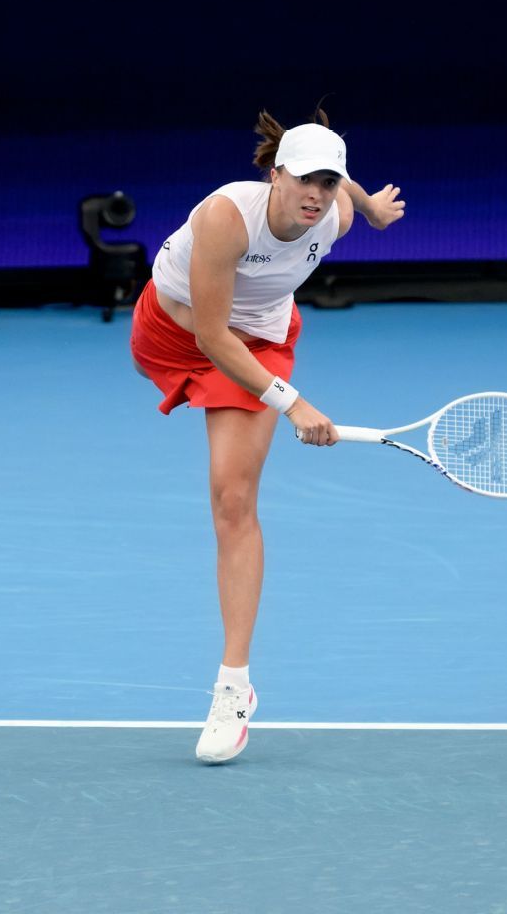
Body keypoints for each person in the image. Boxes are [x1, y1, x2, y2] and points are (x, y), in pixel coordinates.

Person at [130, 109, 405, 763]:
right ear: (274, 174)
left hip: (259, 342)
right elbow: (210, 336)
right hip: (182, 334)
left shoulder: (333, 212)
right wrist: (294, 404)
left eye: (330, 183)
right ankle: (233, 686)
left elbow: (346, 190)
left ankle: (233, 688)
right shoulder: (227, 218)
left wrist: (366, 207)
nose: (318, 195)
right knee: (231, 425)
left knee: (232, 501)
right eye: (305, 179)